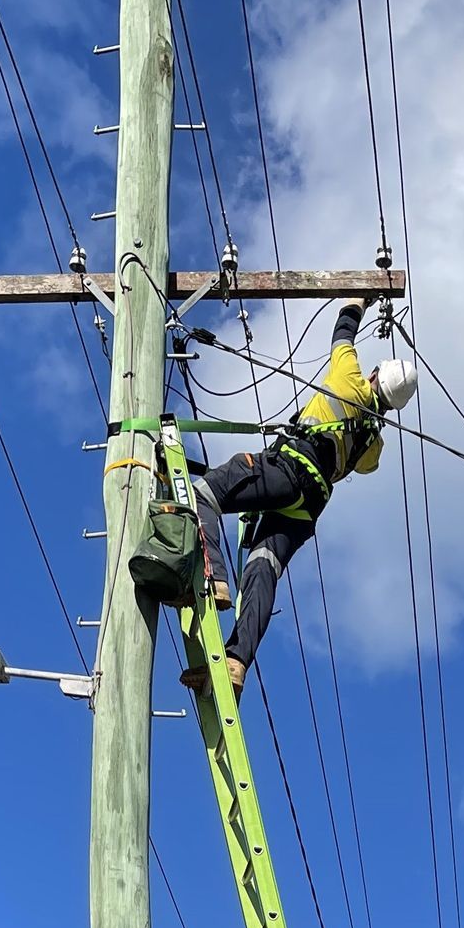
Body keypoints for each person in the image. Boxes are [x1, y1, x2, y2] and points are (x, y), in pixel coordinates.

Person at [180, 297, 417, 695]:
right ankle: (236, 662)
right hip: (307, 508)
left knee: (204, 495)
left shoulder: (349, 382)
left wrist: (357, 302)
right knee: (262, 568)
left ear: (376, 376)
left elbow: (343, 334)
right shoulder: (373, 444)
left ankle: (213, 577)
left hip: (290, 469)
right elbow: (365, 467)